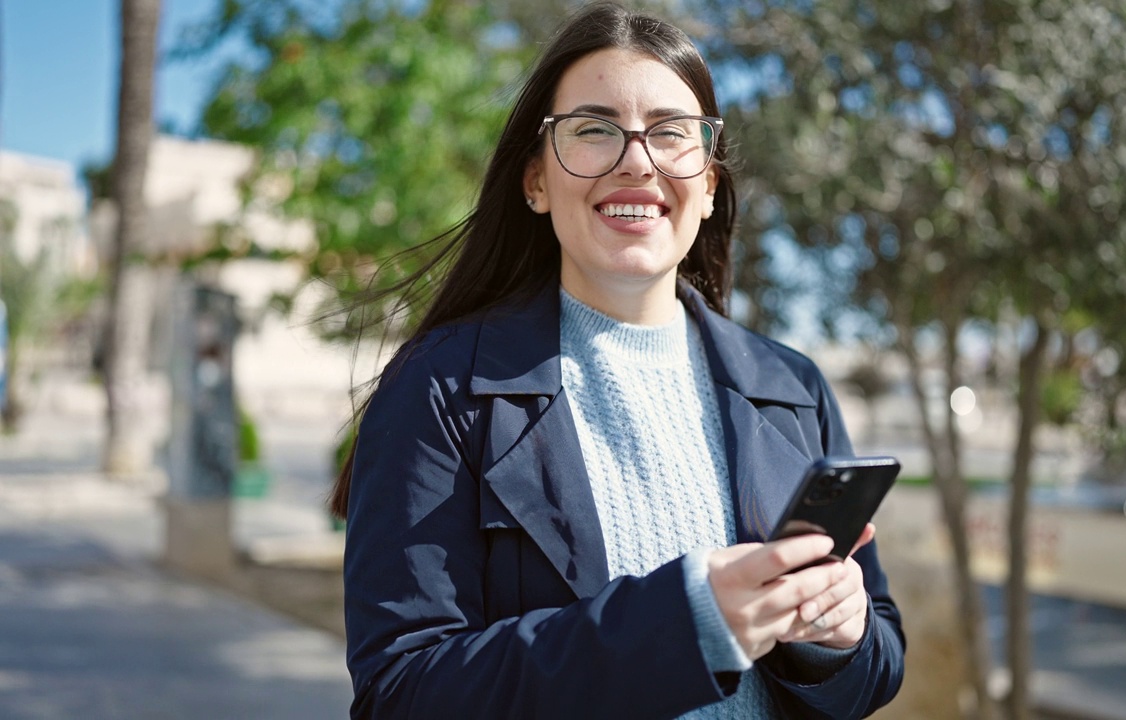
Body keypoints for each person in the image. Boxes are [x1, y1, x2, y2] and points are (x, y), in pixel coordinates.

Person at [330, 3, 905, 718]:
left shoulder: (793, 388)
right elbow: (401, 693)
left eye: (671, 133)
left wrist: (839, 637)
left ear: (710, 184)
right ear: (536, 181)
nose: (638, 160)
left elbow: (877, 663)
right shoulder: (441, 389)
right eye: (595, 131)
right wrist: (682, 624)